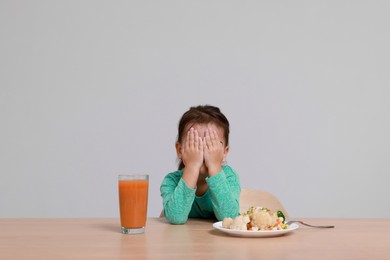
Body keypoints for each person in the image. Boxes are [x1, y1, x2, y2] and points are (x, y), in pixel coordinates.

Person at [160, 105, 240, 224]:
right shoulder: (171, 181)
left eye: (211, 145)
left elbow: (230, 218)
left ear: (224, 152)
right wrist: (192, 167)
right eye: (195, 145)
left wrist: (214, 167)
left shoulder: (229, 177)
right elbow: (176, 217)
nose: (202, 152)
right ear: (180, 150)